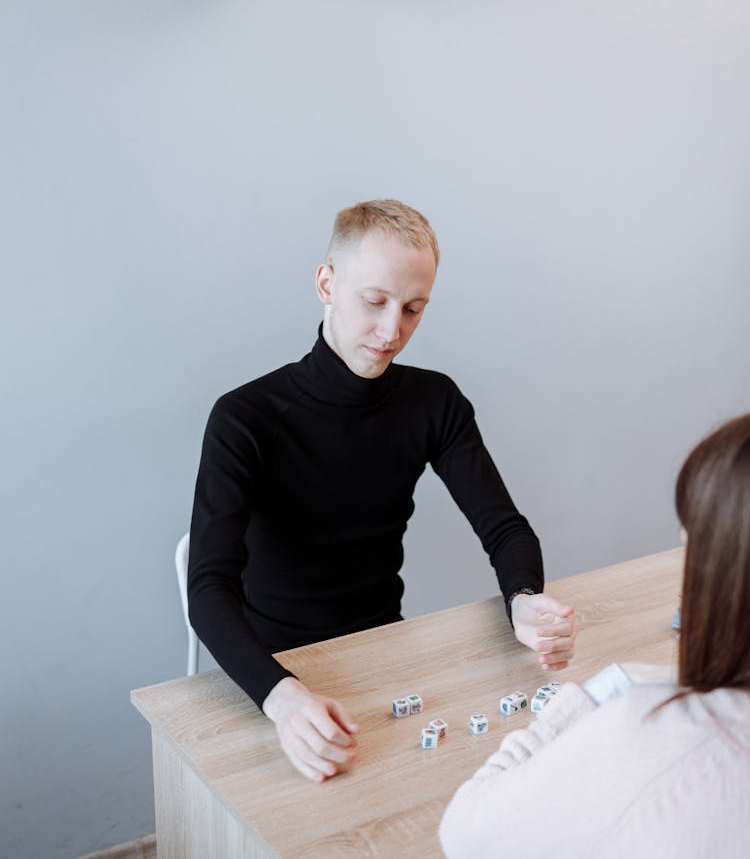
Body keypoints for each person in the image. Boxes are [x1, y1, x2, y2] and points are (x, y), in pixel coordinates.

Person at [188, 199, 577, 783]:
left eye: (414, 309)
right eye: (374, 302)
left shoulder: (433, 401)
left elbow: (505, 529)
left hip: (383, 651)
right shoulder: (244, 417)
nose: (392, 330)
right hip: (271, 671)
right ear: (326, 283)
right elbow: (208, 589)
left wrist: (523, 597)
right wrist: (283, 698)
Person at [439, 413, 750, 859]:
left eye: (688, 548)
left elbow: (465, 834)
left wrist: (602, 694)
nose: (391, 337)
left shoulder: (659, 730)